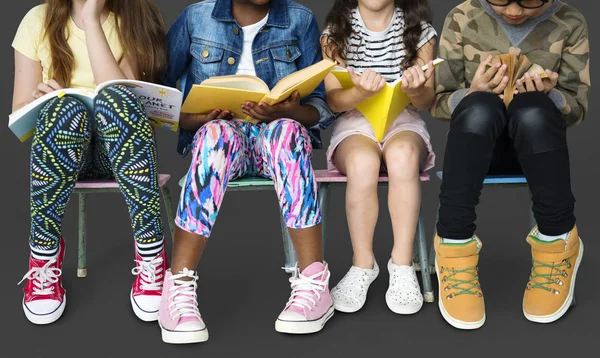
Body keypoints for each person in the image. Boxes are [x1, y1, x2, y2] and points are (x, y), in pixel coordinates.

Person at [160, 0, 335, 344]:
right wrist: (191, 120)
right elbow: (158, 94)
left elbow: (322, 107)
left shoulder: (299, 20)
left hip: (276, 140)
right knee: (213, 135)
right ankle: (178, 286)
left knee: (287, 132)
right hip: (223, 140)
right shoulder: (197, 17)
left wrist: (291, 112)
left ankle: (314, 281)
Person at [431, 0, 589, 329]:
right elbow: (439, 101)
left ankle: (558, 242)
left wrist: (552, 95)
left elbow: (577, 107)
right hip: (474, 150)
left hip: (538, 150)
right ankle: (454, 248)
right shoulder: (462, 17)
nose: (514, 11)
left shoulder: (569, 21)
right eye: (501, 0)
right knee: (480, 107)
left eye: (529, 1)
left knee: (532, 108)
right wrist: (472, 92)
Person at [13, 0, 169, 325]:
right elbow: (19, 116)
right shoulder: (36, 21)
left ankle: (151, 253)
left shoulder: (137, 15)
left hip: (126, 157)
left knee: (116, 98)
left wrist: (90, 18)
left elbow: (120, 93)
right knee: (63, 108)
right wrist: (44, 100)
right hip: (67, 156)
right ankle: (43, 257)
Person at [321, 0, 437, 315]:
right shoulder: (335, 33)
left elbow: (427, 101)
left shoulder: (420, 31)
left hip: (404, 121)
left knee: (402, 157)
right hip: (355, 123)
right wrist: (360, 92)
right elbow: (334, 100)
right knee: (363, 164)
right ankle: (363, 264)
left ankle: (401, 264)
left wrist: (415, 88)